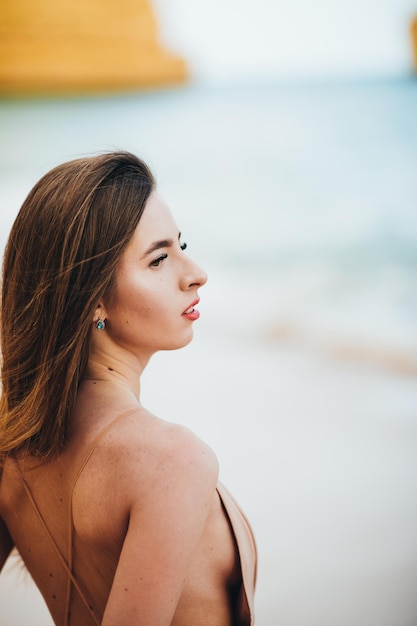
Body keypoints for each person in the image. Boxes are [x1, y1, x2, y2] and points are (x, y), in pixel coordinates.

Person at [0, 151, 257, 625]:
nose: (195, 273)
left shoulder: (12, 447)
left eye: (181, 245)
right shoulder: (172, 461)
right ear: (93, 297)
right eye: (159, 259)